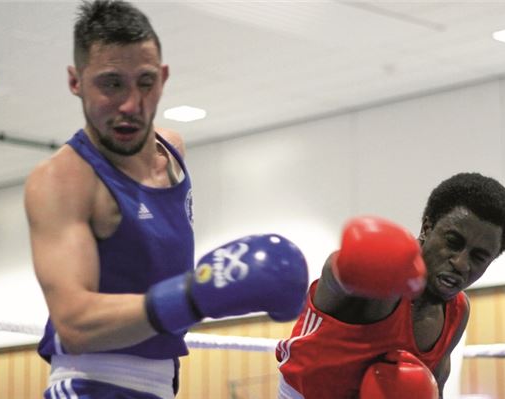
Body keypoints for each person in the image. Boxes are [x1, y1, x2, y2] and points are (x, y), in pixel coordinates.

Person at [24, 1, 308, 398]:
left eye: (144, 82)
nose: (130, 104)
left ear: (163, 77)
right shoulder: (63, 180)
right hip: (89, 384)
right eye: (110, 83)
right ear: (76, 82)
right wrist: (194, 296)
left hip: (163, 384)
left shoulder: (171, 150)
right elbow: (75, 323)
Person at [276, 172, 505, 399]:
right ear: (427, 227)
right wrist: (353, 261)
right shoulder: (378, 279)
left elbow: (437, 383)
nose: (461, 263)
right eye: (453, 242)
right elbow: (334, 278)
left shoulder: (457, 311)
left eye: (478, 257)